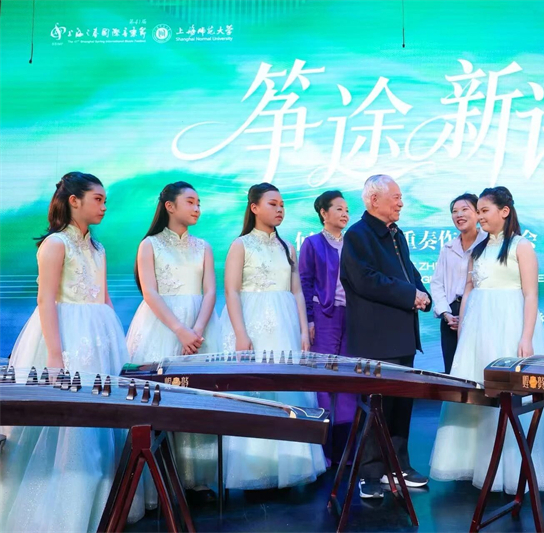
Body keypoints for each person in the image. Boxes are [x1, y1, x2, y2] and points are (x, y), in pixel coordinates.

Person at [0, 172, 143, 531]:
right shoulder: (55, 244)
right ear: (74, 201)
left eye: (105, 200)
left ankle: (105, 503)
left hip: (98, 335)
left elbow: (104, 297)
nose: (104, 206)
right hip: (66, 334)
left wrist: (117, 342)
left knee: (104, 418)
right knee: (72, 424)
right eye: (98, 199)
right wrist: (54, 353)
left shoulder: (97, 248)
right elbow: (45, 299)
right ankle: (66, 512)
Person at [429, 186, 544, 495]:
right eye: (479, 211)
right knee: (477, 394)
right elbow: (469, 289)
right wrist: (463, 329)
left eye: (484, 210)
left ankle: (510, 470)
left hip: (507, 326)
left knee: (507, 398)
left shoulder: (521, 246)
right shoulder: (480, 249)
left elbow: (531, 295)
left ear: (504, 211)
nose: (480, 216)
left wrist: (526, 337)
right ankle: (476, 464)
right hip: (477, 329)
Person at [219, 183, 326, 489]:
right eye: (272, 204)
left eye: (282, 205)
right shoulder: (240, 245)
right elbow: (231, 291)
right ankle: (254, 469)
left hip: (285, 326)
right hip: (253, 325)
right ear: (254, 208)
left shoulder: (287, 247)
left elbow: (297, 291)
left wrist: (304, 330)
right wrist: (241, 334)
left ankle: (292, 464)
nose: (280, 209)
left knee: (288, 389)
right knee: (257, 392)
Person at [126, 181, 220, 505]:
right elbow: (149, 292)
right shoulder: (149, 245)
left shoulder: (204, 246)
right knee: (158, 401)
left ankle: (196, 480)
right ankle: (157, 483)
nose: (197, 208)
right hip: (162, 325)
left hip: (200, 327)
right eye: (190, 202)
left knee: (196, 400)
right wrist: (180, 330)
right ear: (169, 206)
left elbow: (210, 291)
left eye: (199, 203)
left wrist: (197, 330)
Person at [339, 174, 432, 499]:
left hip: (402, 334)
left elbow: (408, 271)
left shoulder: (396, 234)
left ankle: (398, 466)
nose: (401, 203)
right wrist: (409, 295)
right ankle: (369, 472)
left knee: (401, 405)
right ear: (373, 200)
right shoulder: (357, 235)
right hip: (375, 338)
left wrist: (422, 292)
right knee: (375, 406)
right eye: (396, 197)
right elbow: (365, 280)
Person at [298, 190, 356, 464]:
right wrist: (309, 319)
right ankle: (324, 450)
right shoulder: (312, 243)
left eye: (347, 210)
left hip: (352, 317)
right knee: (323, 379)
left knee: (348, 378)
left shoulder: (353, 243)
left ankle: (346, 450)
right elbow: (305, 282)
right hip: (324, 317)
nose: (345, 214)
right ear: (323, 213)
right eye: (339, 209)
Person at [429, 193, 486, 374]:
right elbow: (437, 284)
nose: (459, 215)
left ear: (478, 213)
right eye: (454, 211)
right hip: (451, 316)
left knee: (477, 368)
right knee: (453, 370)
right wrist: (446, 313)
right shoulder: (447, 248)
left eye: (464, 209)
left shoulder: (488, 244)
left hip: (480, 313)